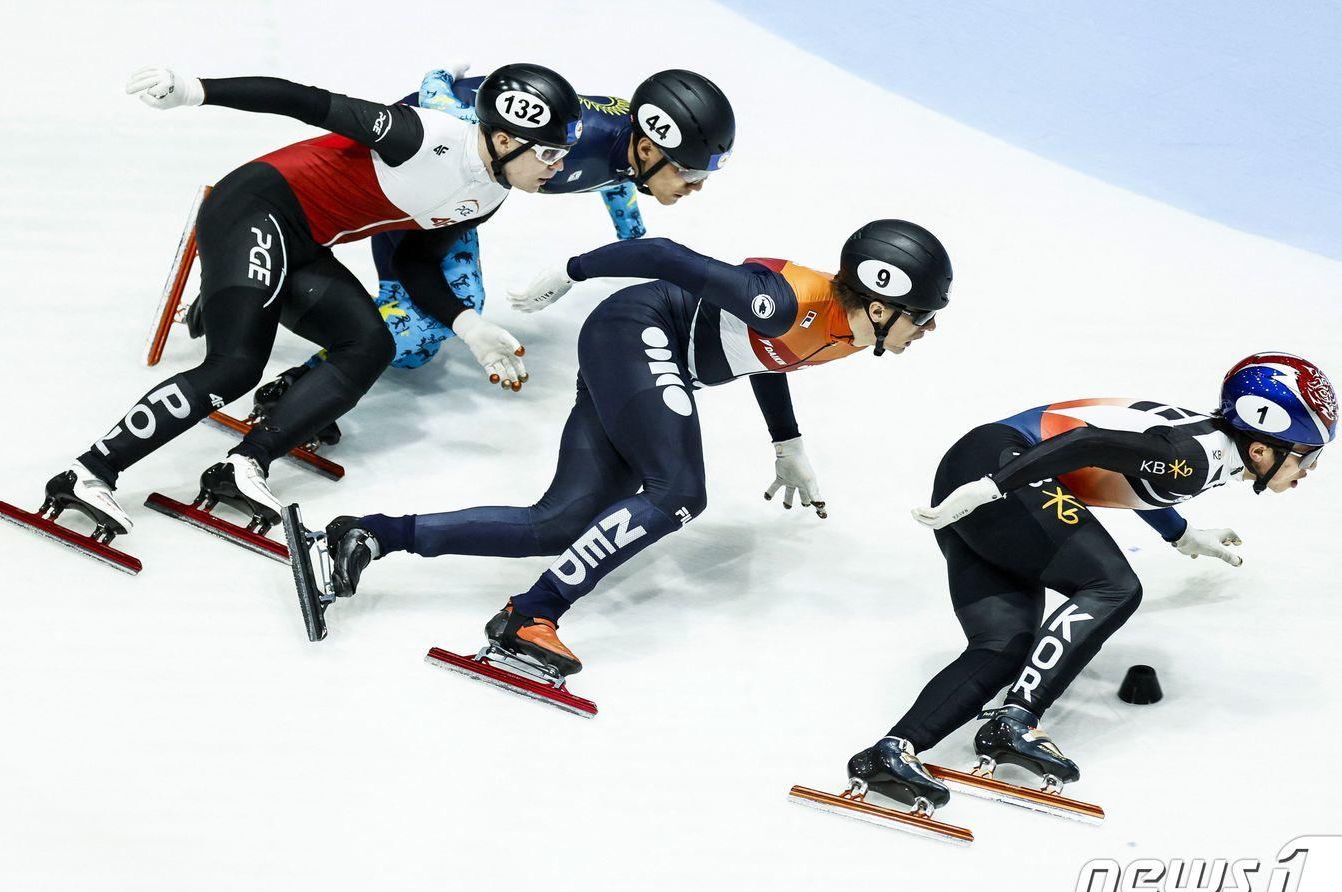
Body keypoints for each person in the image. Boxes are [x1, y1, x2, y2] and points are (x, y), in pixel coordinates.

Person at [311, 220, 952, 679]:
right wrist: (571, 270)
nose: (926, 332)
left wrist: (787, 442)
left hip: (641, 349)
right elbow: (667, 255)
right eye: (921, 318)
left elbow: (773, 360)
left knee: (557, 523)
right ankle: (531, 614)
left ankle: (366, 534)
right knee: (679, 494)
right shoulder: (785, 302)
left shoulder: (845, 328)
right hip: (639, 330)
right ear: (879, 303)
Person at [15, 63, 582, 555]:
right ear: (506, 140)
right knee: (236, 365)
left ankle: (245, 465)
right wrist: (194, 89)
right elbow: (302, 100)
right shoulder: (423, 136)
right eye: (550, 153)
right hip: (254, 206)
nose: (557, 168)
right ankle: (87, 473)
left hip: (305, 242)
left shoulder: (490, 193)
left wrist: (468, 323)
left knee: (371, 346)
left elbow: (415, 262)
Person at [841, 352, 1339, 815]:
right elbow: (1087, 444)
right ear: (1260, 446)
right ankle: (1014, 721)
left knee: (1004, 645)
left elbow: (1129, 474)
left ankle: (893, 749)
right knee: (1115, 585)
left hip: (984, 469)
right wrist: (990, 489)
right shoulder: (1196, 456)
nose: (1310, 472)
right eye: (1307, 457)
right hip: (997, 474)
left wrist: (1181, 533)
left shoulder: (1206, 451)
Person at [258, 64, 735, 427]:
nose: (695, 186)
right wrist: (439, 79)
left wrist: (634, 241)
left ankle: (273, 293)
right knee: (427, 326)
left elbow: (615, 181)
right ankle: (294, 374)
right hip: (426, 169)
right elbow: (452, 121)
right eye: (689, 172)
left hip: (472, 188)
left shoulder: (628, 148)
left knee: (443, 319)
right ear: (649, 149)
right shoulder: (583, 141)